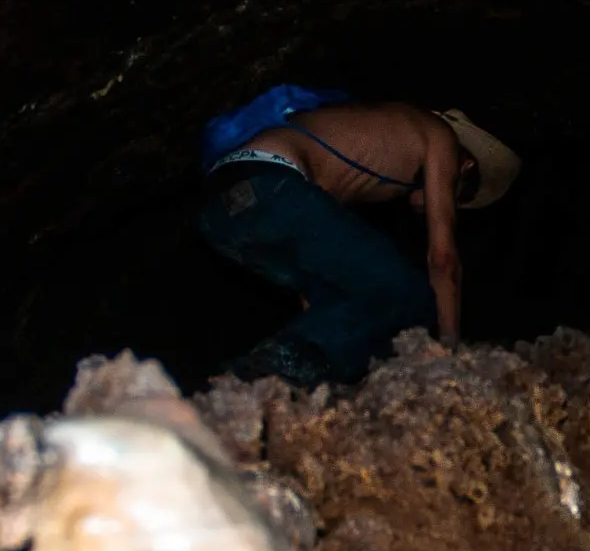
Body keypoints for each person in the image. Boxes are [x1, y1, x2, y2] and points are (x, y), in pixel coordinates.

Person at [199, 90, 521, 387]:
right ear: (464, 166)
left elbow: (315, 283)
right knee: (408, 293)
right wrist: (451, 353)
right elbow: (443, 260)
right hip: (271, 180)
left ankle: (252, 386)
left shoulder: (365, 147)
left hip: (222, 211)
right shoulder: (441, 135)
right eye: (458, 194)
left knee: (345, 305)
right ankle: (269, 369)